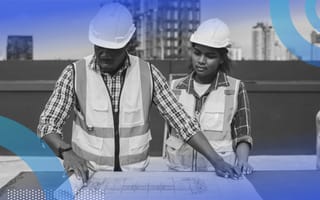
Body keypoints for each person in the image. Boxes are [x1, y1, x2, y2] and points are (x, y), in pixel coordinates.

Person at [37, 3, 241, 184]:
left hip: (134, 179)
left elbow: (183, 122)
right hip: (88, 177)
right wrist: (66, 152)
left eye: (112, 48)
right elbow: (47, 123)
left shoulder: (148, 74)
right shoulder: (74, 73)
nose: (105, 54)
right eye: (100, 47)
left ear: (128, 44)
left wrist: (217, 161)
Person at [164, 18, 253, 174]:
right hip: (179, 174)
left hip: (219, 175)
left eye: (210, 56)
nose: (201, 61)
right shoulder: (174, 88)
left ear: (221, 59)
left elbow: (242, 135)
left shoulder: (235, 88)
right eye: (197, 53)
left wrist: (243, 162)